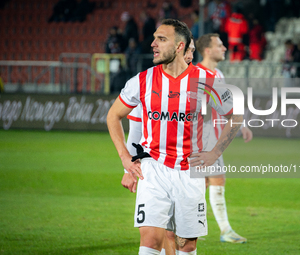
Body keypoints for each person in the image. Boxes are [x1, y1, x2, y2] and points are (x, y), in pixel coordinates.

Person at [107, 19, 242, 255]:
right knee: (151, 240)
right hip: (153, 169)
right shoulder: (143, 80)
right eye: (154, 38)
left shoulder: (206, 80)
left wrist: (215, 153)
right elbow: (113, 116)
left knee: (186, 245)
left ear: (180, 46)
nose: (153, 44)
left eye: (161, 39)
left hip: (190, 171)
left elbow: (235, 116)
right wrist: (125, 158)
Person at [196, 33, 252, 243]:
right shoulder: (197, 74)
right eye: (220, 45)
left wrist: (242, 125)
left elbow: (226, 103)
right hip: (201, 137)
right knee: (214, 180)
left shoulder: (217, 73)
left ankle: (191, 226)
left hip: (213, 136)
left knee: (203, 183)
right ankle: (225, 230)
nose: (225, 48)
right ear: (208, 50)